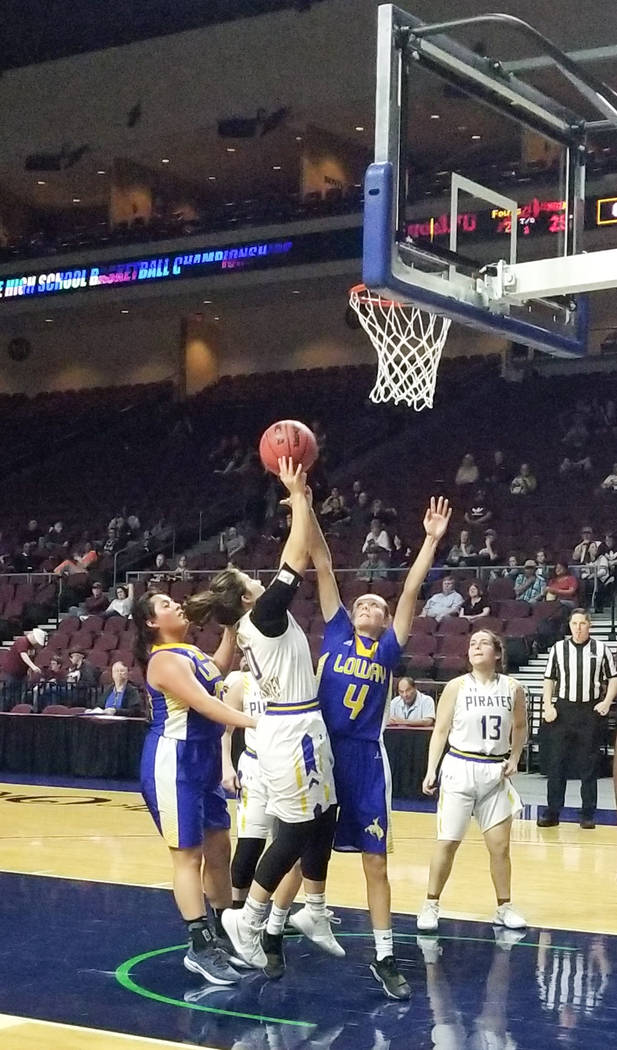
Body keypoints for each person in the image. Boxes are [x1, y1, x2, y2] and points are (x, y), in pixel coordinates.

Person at [184, 459, 341, 976]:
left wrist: (306, 505)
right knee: (295, 832)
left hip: (294, 725)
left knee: (325, 816)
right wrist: (295, 495)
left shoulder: (258, 617)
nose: (258, 577)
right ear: (246, 595)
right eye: (250, 578)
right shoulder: (265, 616)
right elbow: (295, 557)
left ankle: (312, 910)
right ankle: (248, 920)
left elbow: (300, 547)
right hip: (291, 729)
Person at [310, 495, 451, 999]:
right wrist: (304, 502)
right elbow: (323, 563)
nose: (368, 605)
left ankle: (386, 956)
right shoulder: (335, 637)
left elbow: (411, 590)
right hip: (322, 755)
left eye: (377, 605)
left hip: (366, 759)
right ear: (350, 614)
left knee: (375, 861)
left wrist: (431, 540)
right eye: (362, 603)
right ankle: (269, 925)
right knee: (298, 846)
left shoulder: (388, 649)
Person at [133, 589, 256, 985]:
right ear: (152, 623)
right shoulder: (164, 659)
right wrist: (261, 723)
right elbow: (206, 705)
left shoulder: (190, 652)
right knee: (188, 855)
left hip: (201, 760)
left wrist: (231, 627)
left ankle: (222, 933)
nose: (177, 605)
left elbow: (217, 672)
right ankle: (199, 945)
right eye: (166, 604)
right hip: (175, 761)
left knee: (220, 846)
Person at [417, 630, 527, 932]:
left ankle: (504, 907)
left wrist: (515, 758)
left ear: (498, 653)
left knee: (500, 847)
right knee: (448, 842)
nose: (476, 647)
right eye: (472, 644)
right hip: (460, 767)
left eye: (484, 643)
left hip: (494, 771)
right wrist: (431, 769)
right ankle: (430, 904)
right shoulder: (456, 686)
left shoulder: (513, 687)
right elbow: (440, 730)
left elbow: (520, 726)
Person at [538, 609, 617, 829]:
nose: (578, 627)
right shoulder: (558, 649)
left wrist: (607, 701)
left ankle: (587, 813)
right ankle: (552, 812)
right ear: (570, 625)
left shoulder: (601, 649)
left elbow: (613, 678)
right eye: (575, 623)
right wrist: (547, 705)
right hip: (563, 710)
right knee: (556, 763)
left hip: (589, 711)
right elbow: (548, 679)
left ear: (589, 625)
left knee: (589, 764)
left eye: (582, 623)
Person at [220, 664, 271, 911]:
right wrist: (226, 766)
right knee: (250, 845)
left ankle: (276, 916)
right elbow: (224, 729)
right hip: (255, 768)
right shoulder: (243, 682)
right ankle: (235, 913)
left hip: (289, 769)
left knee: (288, 849)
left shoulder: (295, 677)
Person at [2, 628, 47, 695]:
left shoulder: (32, 647)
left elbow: (31, 658)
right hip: (11, 673)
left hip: (22, 675)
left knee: (19, 695)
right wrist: (33, 666)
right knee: (8, 695)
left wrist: (29, 670)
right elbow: (23, 654)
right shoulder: (22, 641)